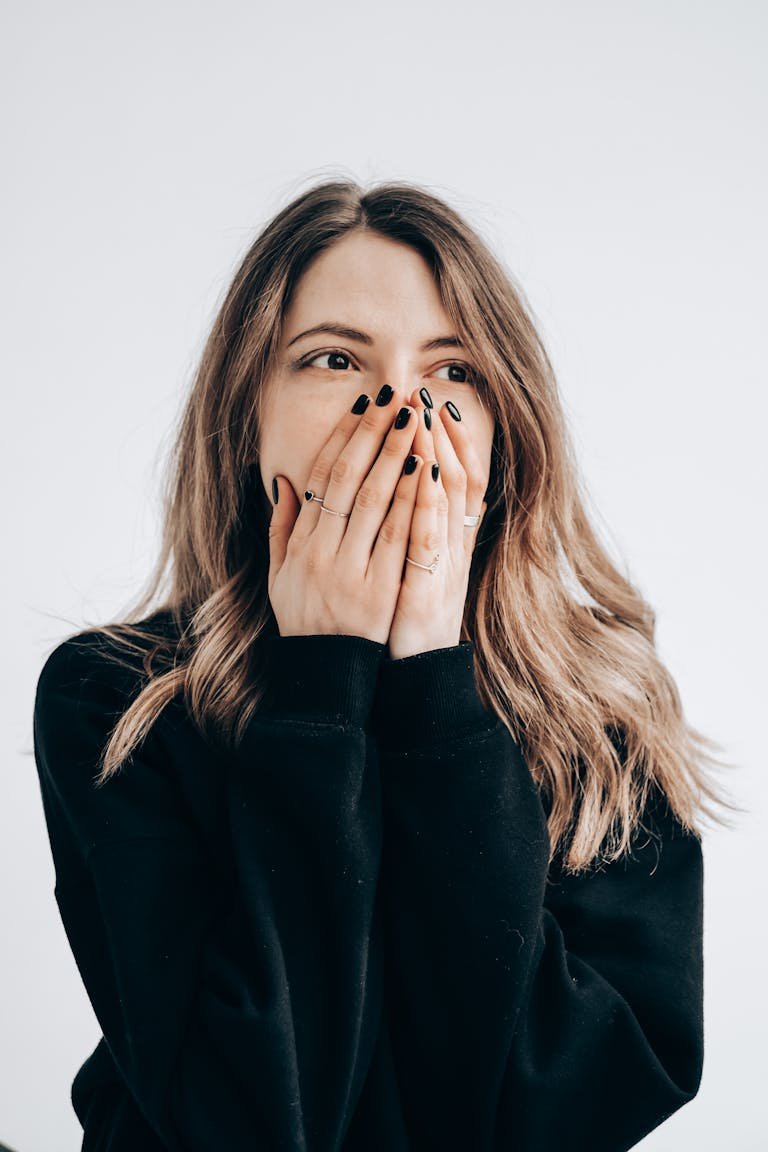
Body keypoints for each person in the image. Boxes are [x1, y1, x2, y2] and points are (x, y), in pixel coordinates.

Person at [32, 178, 735, 1151]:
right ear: (247, 413)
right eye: (335, 359)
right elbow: (242, 1120)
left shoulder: (605, 704)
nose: (403, 411)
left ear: (506, 424)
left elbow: (567, 1107)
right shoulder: (115, 700)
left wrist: (433, 683)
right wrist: (320, 682)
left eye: (453, 370)